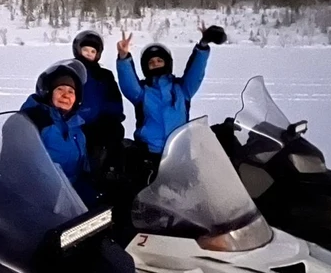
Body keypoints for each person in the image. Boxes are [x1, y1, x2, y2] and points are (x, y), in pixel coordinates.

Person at [115, 23, 227, 181]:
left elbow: (196, 72)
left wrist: (203, 46)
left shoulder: (182, 89)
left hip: (179, 153)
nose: (155, 64)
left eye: (159, 60)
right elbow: (128, 84)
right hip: (149, 154)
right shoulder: (142, 92)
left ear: (167, 63)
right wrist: (123, 58)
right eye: (151, 62)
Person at [19, 59, 98, 206]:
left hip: (70, 201)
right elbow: (20, 171)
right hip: (37, 202)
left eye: (71, 91)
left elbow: (80, 170)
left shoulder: (76, 127)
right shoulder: (31, 121)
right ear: (48, 92)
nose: (66, 95)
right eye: (60, 89)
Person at [70, 30, 126, 181]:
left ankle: (109, 176)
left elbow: (114, 101)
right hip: (73, 123)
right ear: (78, 50)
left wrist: (109, 118)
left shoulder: (104, 75)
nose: (88, 53)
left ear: (98, 54)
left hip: (98, 125)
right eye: (85, 50)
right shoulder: (69, 70)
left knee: (113, 137)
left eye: (93, 51)